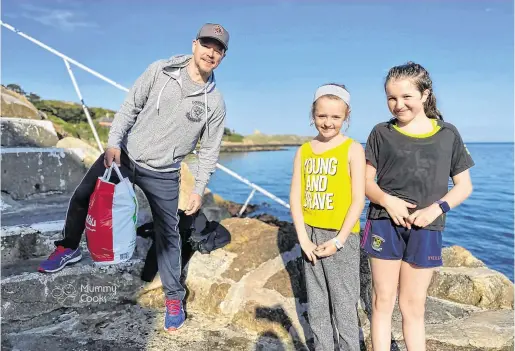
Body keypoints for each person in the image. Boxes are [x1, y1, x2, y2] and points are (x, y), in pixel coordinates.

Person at [38, 23, 230, 332]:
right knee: (83, 195)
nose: (211, 52)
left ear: (222, 56)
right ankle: (68, 247)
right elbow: (130, 106)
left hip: (165, 173)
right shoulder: (160, 70)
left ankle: (173, 298)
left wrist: (200, 188)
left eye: (218, 48)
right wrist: (114, 142)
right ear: (195, 44)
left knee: (169, 234)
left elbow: (209, 150)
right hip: (125, 156)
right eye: (207, 44)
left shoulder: (214, 102)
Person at [361, 62, 474, 350]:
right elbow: (365, 183)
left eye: (406, 97)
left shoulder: (448, 135)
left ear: (425, 95)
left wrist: (436, 209)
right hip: (384, 223)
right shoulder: (380, 133)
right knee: (382, 301)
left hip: (427, 228)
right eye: (391, 98)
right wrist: (389, 201)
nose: (398, 105)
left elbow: (464, 186)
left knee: (413, 307)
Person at [289, 83, 366, 351]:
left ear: (346, 117)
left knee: (344, 306)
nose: (328, 122)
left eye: (335, 116)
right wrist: (303, 239)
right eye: (322, 116)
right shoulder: (304, 151)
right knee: (318, 303)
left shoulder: (353, 149)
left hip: (340, 238)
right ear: (313, 115)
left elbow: (359, 199)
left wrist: (339, 240)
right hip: (310, 235)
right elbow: (295, 199)